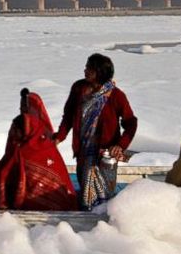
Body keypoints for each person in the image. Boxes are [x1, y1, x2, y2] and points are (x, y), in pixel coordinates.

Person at [55, 54, 138, 210]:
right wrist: (60, 136)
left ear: (100, 72)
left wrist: (120, 145)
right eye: (86, 67)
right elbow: (69, 115)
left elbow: (131, 122)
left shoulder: (116, 95)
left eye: (90, 69)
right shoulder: (79, 89)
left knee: (104, 192)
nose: (85, 70)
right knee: (84, 185)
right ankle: (86, 218)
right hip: (83, 151)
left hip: (104, 153)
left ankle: (101, 220)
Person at [0, 89, 76, 210]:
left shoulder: (44, 149)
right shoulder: (19, 148)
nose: (14, 134)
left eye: (17, 131)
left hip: (53, 207)